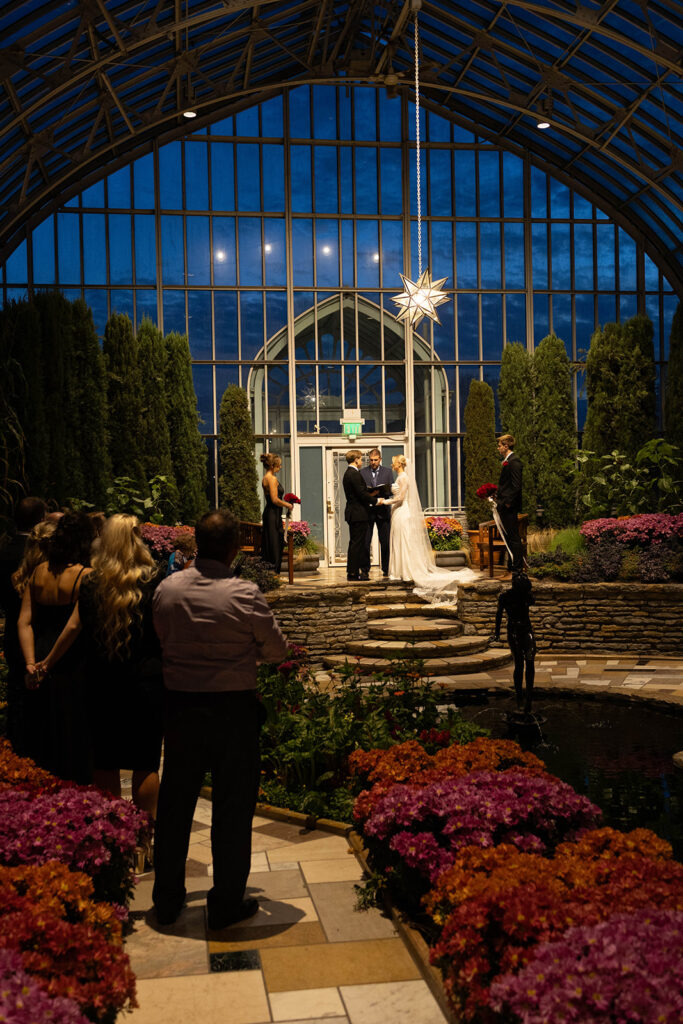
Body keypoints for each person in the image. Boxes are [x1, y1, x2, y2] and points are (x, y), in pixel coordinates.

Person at [151, 509, 287, 929]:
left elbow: (159, 635)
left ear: (197, 543)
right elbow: (276, 650)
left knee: (176, 803)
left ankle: (168, 898)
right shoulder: (243, 593)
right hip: (232, 710)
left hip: (182, 707)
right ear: (233, 549)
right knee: (232, 806)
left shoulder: (168, 588)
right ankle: (226, 900)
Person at [36, 515, 164, 819]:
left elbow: (73, 628)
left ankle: (113, 833)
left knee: (105, 762)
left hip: (102, 682)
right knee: (145, 763)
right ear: (137, 539)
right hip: (146, 681)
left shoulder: (91, 581)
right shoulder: (153, 579)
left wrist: (46, 663)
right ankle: (144, 841)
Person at [17, 511, 95, 782]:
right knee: (71, 736)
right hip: (70, 663)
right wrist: (48, 663)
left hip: (37, 655)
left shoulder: (38, 571)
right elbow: (74, 626)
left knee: (41, 734)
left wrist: (31, 663)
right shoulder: (86, 576)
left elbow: (24, 621)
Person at [385, 455, 478, 602]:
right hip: (398, 511)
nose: (392, 464)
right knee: (398, 540)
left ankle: (406, 571)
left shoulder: (403, 478)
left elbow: (401, 497)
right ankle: (400, 571)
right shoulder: (400, 477)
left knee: (404, 540)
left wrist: (384, 501)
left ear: (399, 464)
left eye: (394, 462)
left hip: (402, 510)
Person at [0, 497, 47, 753]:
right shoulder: (39, 553)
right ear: (41, 519)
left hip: (11, 629)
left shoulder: (4, 550)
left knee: (17, 687)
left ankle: (15, 744)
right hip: (36, 630)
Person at [494, 573, 536, 717]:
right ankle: (519, 700)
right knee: (519, 663)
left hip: (527, 629)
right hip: (514, 631)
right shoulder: (505, 596)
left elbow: (532, 601)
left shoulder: (527, 595)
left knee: (530, 661)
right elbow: (499, 615)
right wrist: (497, 633)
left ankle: (529, 699)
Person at [343, 449, 381, 582]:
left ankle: (352, 571)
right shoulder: (354, 474)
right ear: (356, 459)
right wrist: (376, 500)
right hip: (358, 513)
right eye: (360, 459)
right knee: (357, 544)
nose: (362, 461)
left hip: (354, 513)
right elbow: (361, 494)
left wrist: (370, 493)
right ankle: (353, 573)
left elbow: (359, 492)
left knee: (355, 543)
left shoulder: (349, 473)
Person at [360, 448, 393, 577]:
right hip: (368, 511)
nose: (373, 462)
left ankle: (386, 568)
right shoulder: (363, 472)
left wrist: (383, 491)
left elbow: (391, 490)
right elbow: (361, 491)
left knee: (385, 541)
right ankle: (365, 569)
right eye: (371, 460)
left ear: (380, 459)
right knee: (365, 542)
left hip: (383, 511)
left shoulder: (388, 472)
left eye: (375, 460)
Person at [259, 453, 293, 574]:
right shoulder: (271, 479)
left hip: (272, 514)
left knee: (275, 543)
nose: (281, 467)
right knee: (274, 544)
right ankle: (273, 573)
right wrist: (287, 504)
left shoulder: (267, 477)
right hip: (272, 514)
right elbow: (274, 499)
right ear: (273, 465)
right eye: (279, 465)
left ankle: (272, 573)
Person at [496, 434, 524, 575]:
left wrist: (507, 503)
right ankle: (512, 565)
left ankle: (518, 568)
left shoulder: (514, 462)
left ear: (506, 446)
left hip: (509, 507)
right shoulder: (508, 461)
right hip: (503, 505)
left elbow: (516, 486)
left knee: (513, 537)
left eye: (500, 445)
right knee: (508, 536)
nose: (498, 448)